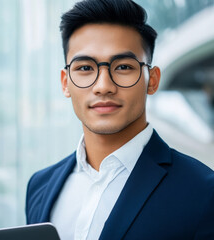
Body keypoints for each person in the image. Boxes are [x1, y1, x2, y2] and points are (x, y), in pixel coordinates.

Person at [25, 0, 214, 239]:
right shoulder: (40, 186)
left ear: (152, 80)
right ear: (65, 82)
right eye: (85, 68)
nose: (103, 86)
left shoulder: (203, 191)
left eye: (123, 66)